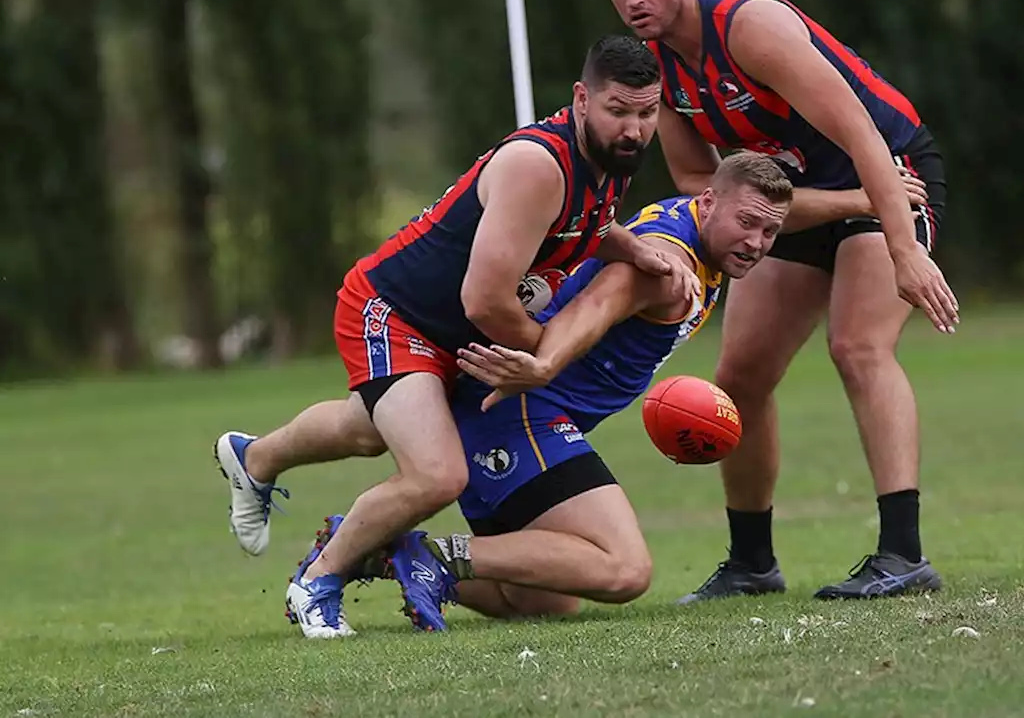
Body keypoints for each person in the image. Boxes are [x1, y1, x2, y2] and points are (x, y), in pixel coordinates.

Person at [214, 35, 695, 639]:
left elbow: (588, 224)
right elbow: (484, 300)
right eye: (618, 111)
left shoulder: (609, 161)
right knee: (437, 474)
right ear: (580, 99)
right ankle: (318, 581)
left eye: (646, 113)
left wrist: (635, 247)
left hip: (450, 335)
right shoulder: (539, 166)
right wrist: (546, 358)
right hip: (396, 312)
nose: (633, 129)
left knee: (365, 433)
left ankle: (254, 456)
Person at [591, 0, 960, 602]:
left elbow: (860, 131)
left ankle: (904, 555)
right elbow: (701, 184)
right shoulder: (659, 69)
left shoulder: (749, 27)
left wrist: (901, 244)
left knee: (858, 346)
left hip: (888, 173)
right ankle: (752, 564)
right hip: (808, 197)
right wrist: (834, 204)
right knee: (740, 374)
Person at [290, 152, 794, 629]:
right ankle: (431, 555)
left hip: (526, 409)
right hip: (522, 410)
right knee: (623, 569)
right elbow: (600, 302)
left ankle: (378, 547)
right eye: (746, 222)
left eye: (770, 230)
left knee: (541, 599)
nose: (756, 241)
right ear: (707, 201)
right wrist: (545, 364)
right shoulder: (667, 265)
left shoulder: (698, 237)